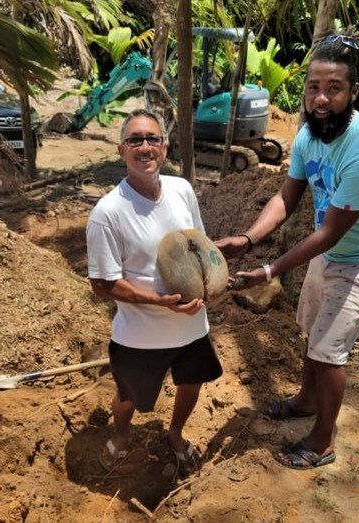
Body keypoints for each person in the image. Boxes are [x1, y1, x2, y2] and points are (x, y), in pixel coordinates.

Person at [216, 33, 359, 470]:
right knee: (312, 332)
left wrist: (270, 269)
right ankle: (305, 400)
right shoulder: (309, 136)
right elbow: (287, 197)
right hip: (329, 249)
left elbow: (333, 232)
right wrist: (248, 238)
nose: (321, 98)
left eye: (334, 88)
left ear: (353, 92)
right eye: (313, 87)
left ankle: (322, 442)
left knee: (329, 351)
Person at [86, 109, 223, 474]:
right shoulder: (108, 213)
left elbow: (198, 245)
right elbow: (102, 284)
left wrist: (213, 283)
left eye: (153, 139)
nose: (145, 147)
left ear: (164, 147)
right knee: (130, 396)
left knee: (191, 384)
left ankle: (175, 435)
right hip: (140, 336)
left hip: (193, 326)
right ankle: (121, 435)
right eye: (135, 140)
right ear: (121, 150)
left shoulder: (182, 190)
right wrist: (157, 301)